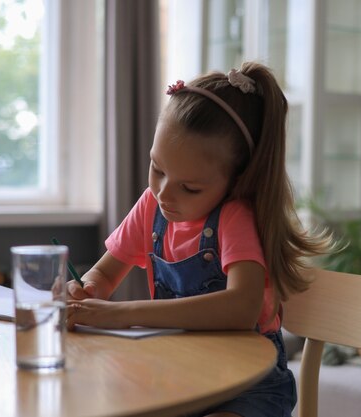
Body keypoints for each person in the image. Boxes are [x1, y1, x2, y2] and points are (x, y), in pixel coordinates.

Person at [66, 61, 332, 417]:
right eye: (157, 168)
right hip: (179, 369)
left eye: (189, 187)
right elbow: (104, 274)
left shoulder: (235, 217)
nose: (163, 193)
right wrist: (87, 290)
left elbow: (242, 308)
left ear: (236, 181)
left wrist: (122, 314)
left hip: (249, 384)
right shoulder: (151, 206)